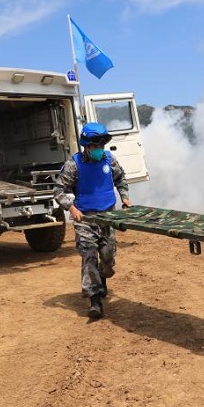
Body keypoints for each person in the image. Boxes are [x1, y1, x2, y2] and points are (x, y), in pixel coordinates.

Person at [54, 122, 131, 319]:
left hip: (108, 217)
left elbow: (120, 178)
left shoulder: (108, 159)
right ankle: (94, 300)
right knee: (89, 256)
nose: (99, 150)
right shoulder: (74, 164)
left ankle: (103, 279)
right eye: (95, 146)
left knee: (108, 255)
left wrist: (124, 197)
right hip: (85, 218)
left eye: (101, 146)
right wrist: (71, 208)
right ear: (86, 146)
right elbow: (59, 191)